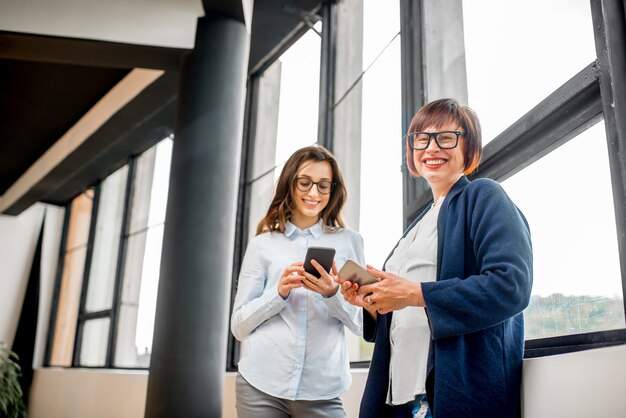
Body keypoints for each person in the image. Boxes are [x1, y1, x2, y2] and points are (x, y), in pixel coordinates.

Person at [337, 98, 533, 418]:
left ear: (467, 147)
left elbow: (511, 285)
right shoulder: (416, 228)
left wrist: (416, 293)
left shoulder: (484, 196)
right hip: (397, 395)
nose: (431, 148)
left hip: (445, 394)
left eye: (445, 138)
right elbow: (401, 313)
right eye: (422, 139)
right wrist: (372, 302)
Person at [231, 145, 365, 418]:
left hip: (323, 392)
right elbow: (239, 327)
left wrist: (332, 295)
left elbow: (363, 322)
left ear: (332, 189)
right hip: (260, 385)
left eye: (323, 185)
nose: (314, 193)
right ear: (290, 183)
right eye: (305, 182)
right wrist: (277, 294)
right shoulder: (262, 245)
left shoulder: (350, 242)